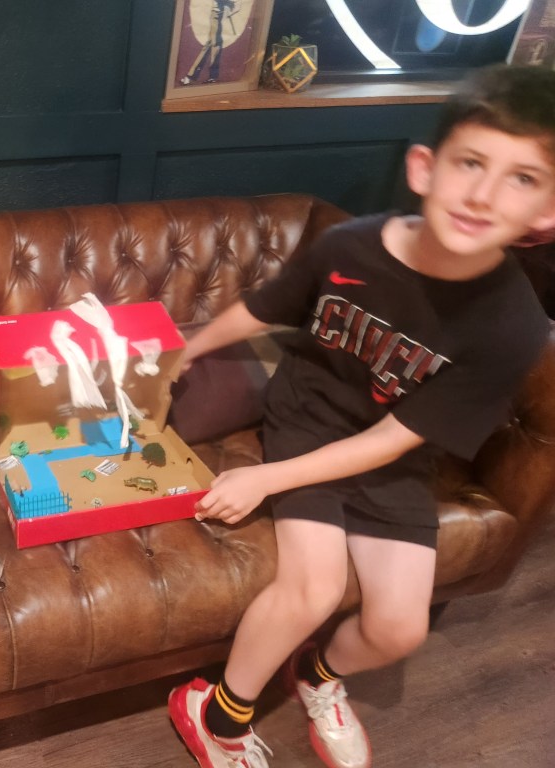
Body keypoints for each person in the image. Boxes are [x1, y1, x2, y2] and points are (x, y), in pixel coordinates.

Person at [167, 63, 555, 768]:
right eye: (471, 163)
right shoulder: (349, 246)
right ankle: (215, 714)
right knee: (311, 590)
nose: (484, 194)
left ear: (546, 210)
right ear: (424, 168)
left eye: (522, 177)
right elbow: (266, 307)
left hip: (394, 453)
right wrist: (187, 349)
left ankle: (317, 675)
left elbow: (396, 439)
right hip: (308, 416)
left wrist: (264, 480)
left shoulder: (514, 326)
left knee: (400, 628)